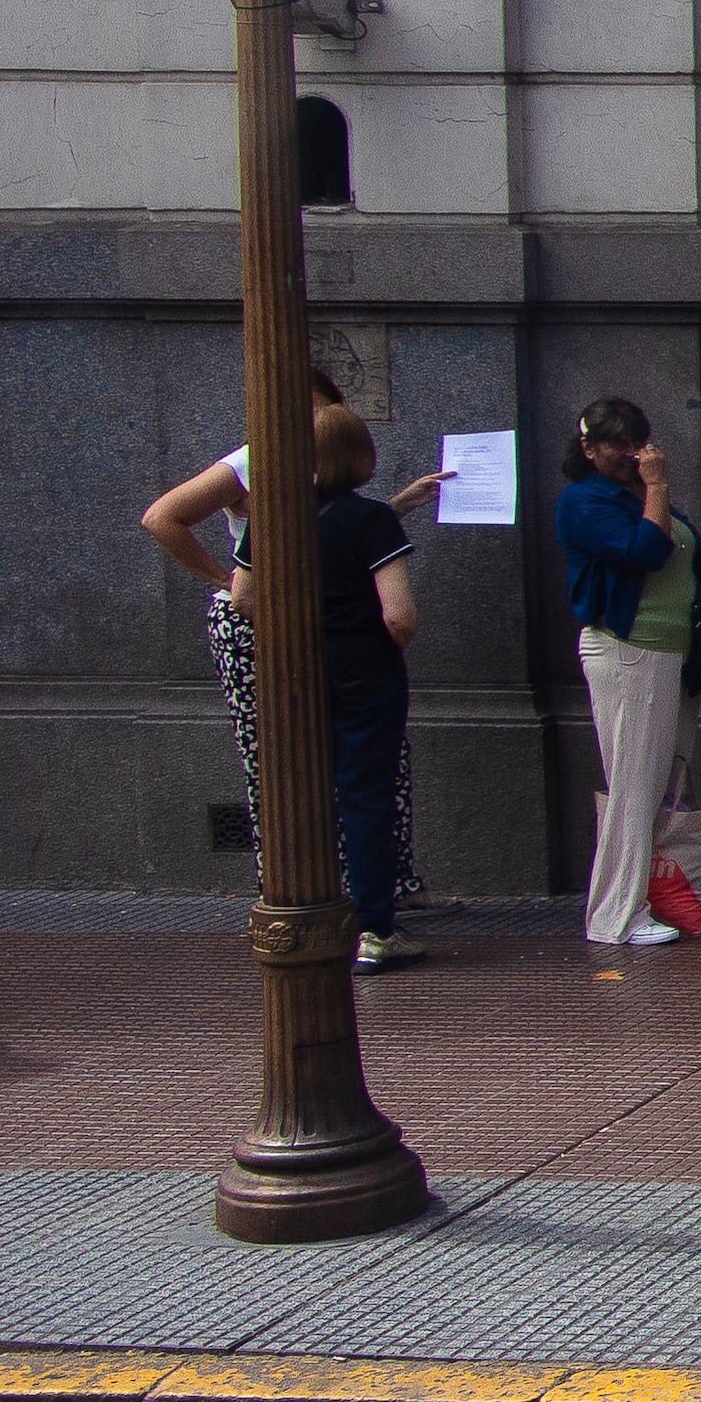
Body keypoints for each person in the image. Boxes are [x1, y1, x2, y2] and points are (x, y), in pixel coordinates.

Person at [142, 370, 434, 910]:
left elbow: (330, 528)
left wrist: (394, 506)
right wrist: (226, 580)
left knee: (363, 761)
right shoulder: (253, 462)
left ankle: (378, 886)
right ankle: (294, 892)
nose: (316, 425)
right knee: (284, 762)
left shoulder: (311, 477)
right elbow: (163, 518)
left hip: (306, 617)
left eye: (325, 413)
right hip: (268, 623)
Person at [554, 395, 700, 950]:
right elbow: (646, 552)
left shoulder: (627, 493)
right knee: (634, 788)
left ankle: (652, 894)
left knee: (661, 784)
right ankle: (615, 915)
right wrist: (658, 490)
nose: (628, 452)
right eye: (615, 442)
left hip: (667, 653)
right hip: (628, 651)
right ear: (588, 447)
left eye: (635, 439)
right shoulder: (584, 502)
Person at [304, 408, 425, 977]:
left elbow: (245, 598)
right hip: (364, 670)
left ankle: (305, 914)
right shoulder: (370, 520)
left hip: (295, 675)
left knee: (300, 794)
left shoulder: (269, 517)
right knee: (365, 795)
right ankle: (375, 927)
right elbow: (398, 615)